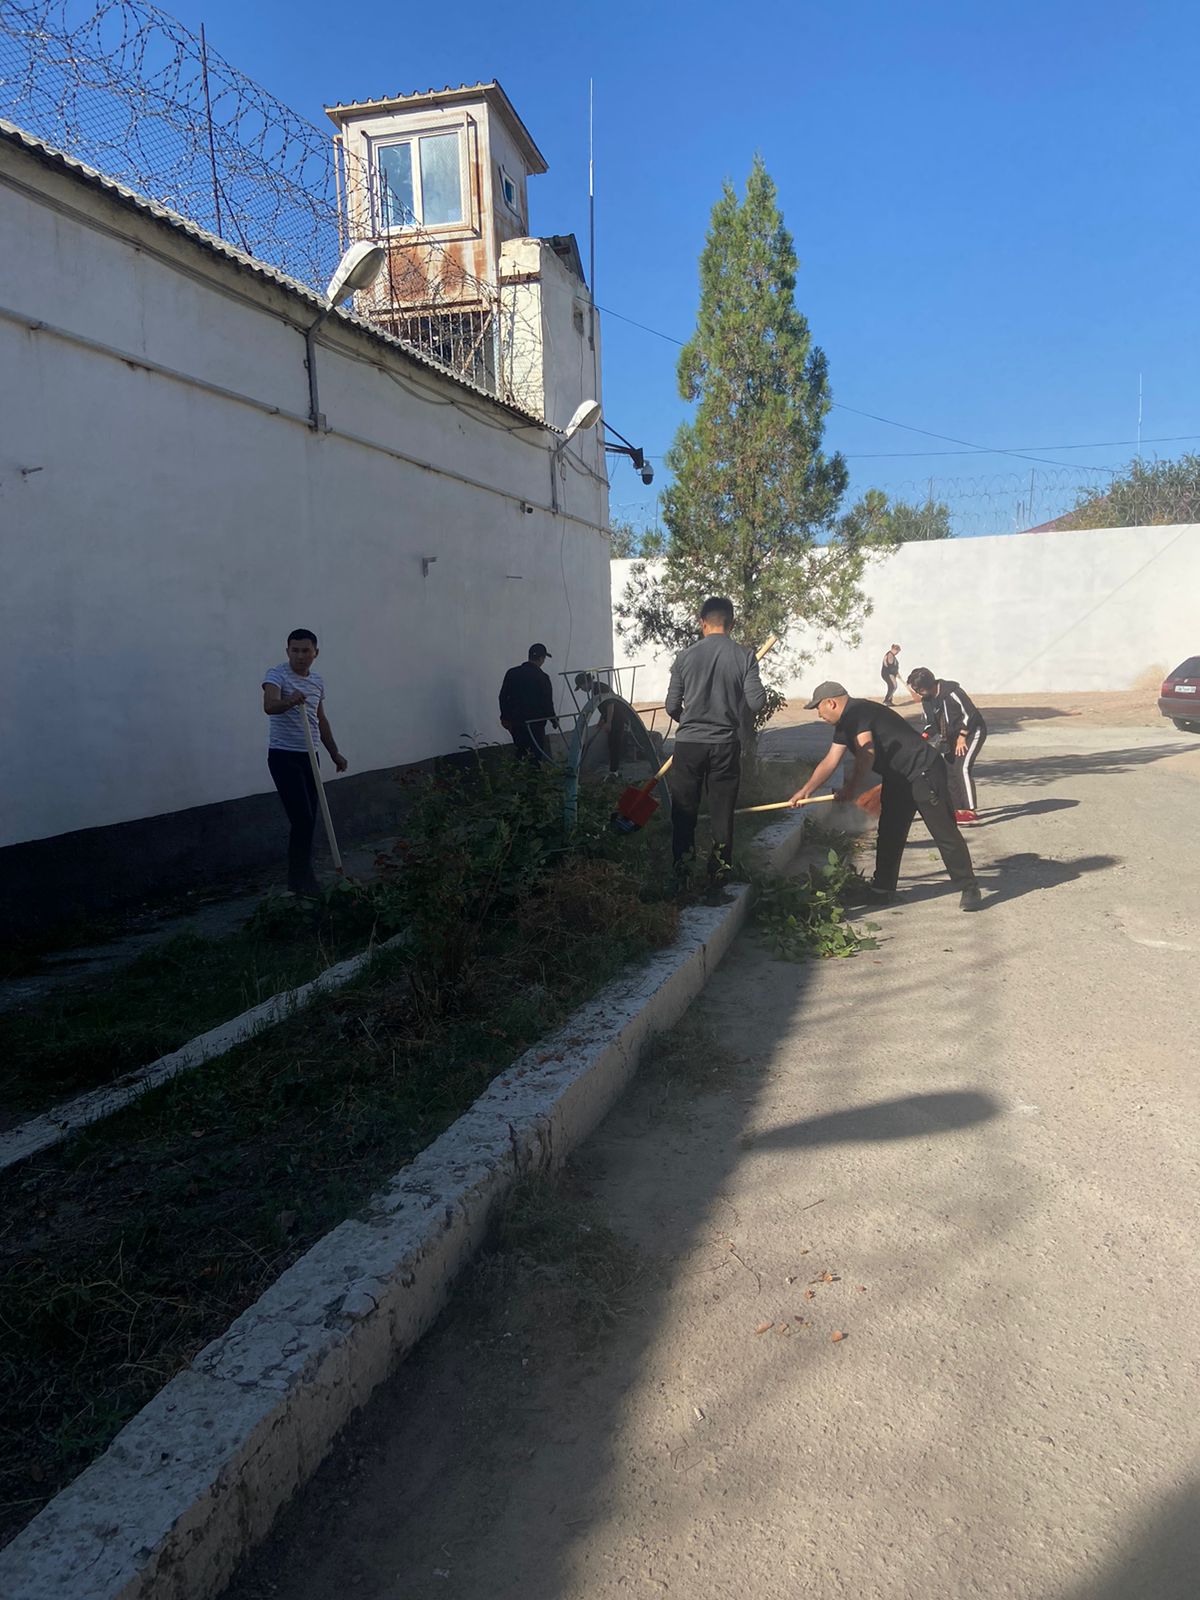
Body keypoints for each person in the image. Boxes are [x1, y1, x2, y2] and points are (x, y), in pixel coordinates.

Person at [788, 680, 981, 910]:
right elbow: (830, 761)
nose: (818, 714)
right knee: (890, 833)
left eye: (818, 708)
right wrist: (806, 791)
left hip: (924, 771)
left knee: (944, 831)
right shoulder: (844, 726)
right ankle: (882, 890)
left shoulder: (858, 713)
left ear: (830, 703)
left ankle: (969, 887)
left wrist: (852, 788)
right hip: (898, 777)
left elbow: (866, 753)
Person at [664, 596, 767, 883]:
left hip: (688, 745)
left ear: (702, 623)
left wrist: (691, 721)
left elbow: (671, 705)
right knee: (722, 810)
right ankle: (719, 870)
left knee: (684, 809)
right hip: (725, 745)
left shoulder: (684, 657)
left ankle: (682, 869)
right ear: (731, 624)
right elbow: (757, 702)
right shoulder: (744, 656)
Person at [262, 629, 348, 896]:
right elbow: (270, 705)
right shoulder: (276, 674)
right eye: (295, 650)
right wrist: (289, 701)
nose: (300, 656)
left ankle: (300, 878)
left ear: (315, 653)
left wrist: (334, 752)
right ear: (287, 651)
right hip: (284, 755)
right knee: (302, 817)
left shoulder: (317, 681)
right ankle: (302, 880)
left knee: (310, 817)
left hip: (310, 755)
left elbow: (320, 720)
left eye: (305, 651)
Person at [906, 667, 988, 823]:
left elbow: (970, 714)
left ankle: (970, 810)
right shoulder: (927, 701)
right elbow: (932, 724)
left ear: (928, 685)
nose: (917, 693)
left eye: (919, 690)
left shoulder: (953, 692)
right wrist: (923, 738)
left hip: (971, 732)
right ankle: (958, 809)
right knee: (949, 770)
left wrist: (962, 737)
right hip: (951, 737)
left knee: (962, 768)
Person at [499, 643, 559, 762]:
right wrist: (554, 720)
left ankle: (520, 773)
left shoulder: (512, 673)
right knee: (535, 755)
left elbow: (503, 697)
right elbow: (547, 703)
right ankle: (534, 773)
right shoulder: (542, 677)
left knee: (521, 752)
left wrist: (505, 717)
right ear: (541, 659)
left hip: (516, 723)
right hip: (535, 724)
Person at [574, 671, 630, 780]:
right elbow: (603, 706)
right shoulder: (596, 688)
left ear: (585, 683)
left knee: (614, 744)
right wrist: (601, 720)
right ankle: (613, 770)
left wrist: (608, 722)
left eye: (581, 687)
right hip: (611, 717)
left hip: (617, 717)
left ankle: (614, 772)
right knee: (611, 744)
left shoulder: (600, 688)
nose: (582, 690)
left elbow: (610, 705)